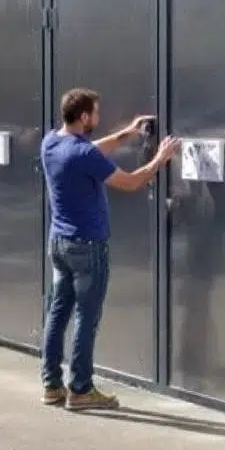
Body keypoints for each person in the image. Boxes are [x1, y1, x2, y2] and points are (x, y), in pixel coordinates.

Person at [39, 88, 180, 411]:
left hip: (59, 243)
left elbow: (91, 150)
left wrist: (128, 133)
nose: (98, 119)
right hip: (88, 246)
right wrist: (161, 158)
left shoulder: (52, 142)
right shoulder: (83, 154)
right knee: (87, 318)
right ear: (85, 116)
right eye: (96, 114)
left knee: (58, 312)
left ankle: (52, 385)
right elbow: (131, 182)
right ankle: (81, 389)